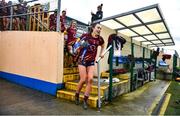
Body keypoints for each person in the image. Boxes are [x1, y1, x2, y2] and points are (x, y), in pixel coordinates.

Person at [75, 23, 105, 109]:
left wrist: (101, 54)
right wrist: (80, 45)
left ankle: (85, 100)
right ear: (93, 28)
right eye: (98, 28)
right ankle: (77, 94)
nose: (99, 29)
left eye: (100, 28)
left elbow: (103, 45)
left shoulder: (100, 39)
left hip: (91, 61)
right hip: (82, 60)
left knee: (90, 79)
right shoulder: (86, 36)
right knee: (83, 79)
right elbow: (77, 43)